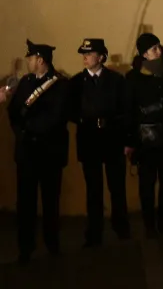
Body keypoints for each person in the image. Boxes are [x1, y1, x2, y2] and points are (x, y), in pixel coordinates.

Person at [7, 41, 68, 264]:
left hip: (49, 152)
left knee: (51, 202)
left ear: (40, 59)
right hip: (27, 153)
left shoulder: (60, 85)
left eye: (31, 57)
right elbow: (13, 113)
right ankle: (26, 247)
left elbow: (56, 117)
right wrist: (21, 133)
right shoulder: (26, 82)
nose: (28, 61)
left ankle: (52, 244)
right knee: (25, 203)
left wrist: (29, 128)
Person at [66, 37, 130, 246]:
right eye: (83, 54)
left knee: (117, 187)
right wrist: (86, 119)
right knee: (93, 189)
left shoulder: (116, 80)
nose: (85, 58)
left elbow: (125, 111)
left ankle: (121, 226)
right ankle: (94, 232)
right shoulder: (76, 83)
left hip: (112, 137)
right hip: (89, 138)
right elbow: (71, 111)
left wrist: (127, 140)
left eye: (89, 54)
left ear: (101, 57)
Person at [124, 31, 163, 236]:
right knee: (147, 183)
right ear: (144, 55)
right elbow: (129, 111)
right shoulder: (133, 78)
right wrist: (130, 141)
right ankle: (149, 225)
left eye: (159, 46)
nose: (158, 51)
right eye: (153, 49)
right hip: (146, 140)